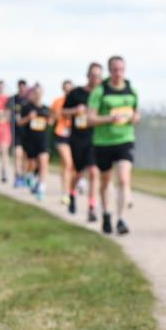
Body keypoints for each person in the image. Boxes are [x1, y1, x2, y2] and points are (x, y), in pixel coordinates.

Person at [88, 55, 140, 235]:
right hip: (103, 142)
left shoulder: (131, 90)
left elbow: (136, 113)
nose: (118, 73)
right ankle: (107, 214)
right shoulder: (100, 92)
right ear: (109, 71)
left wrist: (135, 118)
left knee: (124, 178)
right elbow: (90, 119)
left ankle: (121, 219)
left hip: (125, 139)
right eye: (115, 70)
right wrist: (109, 118)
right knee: (106, 181)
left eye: (121, 70)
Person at [64, 63, 103, 221]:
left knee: (94, 172)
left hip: (97, 138)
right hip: (78, 139)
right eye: (93, 75)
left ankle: (92, 207)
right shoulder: (76, 93)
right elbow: (63, 112)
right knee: (78, 173)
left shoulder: (102, 95)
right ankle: (72, 195)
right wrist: (75, 110)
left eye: (99, 75)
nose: (95, 78)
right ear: (87, 76)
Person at [17, 85, 51, 201]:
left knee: (43, 161)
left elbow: (50, 122)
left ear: (43, 93)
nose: (38, 94)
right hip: (30, 140)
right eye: (35, 92)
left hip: (43, 140)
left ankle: (41, 188)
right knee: (32, 164)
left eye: (40, 92)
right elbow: (19, 122)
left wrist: (51, 120)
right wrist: (28, 118)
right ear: (32, 94)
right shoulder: (26, 107)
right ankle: (30, 176)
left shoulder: (46, 109)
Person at [51, 80, 75, 208]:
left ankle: (74, 187)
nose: (68, 91)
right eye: (65, 88)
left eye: (70, 89)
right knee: (67, 162)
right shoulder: (58, 102)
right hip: (61, 134)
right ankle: (65, 193)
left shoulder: (78, 101)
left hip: (75, 135)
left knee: (73, 165)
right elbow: (51, 118)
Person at [8, 79, 30, 188]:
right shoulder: (13, 99)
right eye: (20, 86)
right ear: (18, 87)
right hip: (16, 131)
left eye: (24, 87)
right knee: (18, 154)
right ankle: (17, 176)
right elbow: (8, 114)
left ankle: (24, 176)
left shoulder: (29, 99)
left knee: (26, 156)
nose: (22, 89)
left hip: (28, 133)